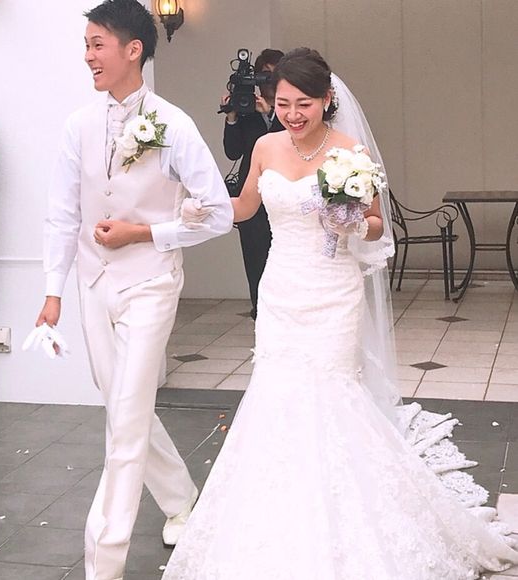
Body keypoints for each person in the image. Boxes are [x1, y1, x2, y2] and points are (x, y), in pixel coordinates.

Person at [162, 48, 518, 579]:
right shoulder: (264, 146)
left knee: (332, 395)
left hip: (333, 292)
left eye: (304, 103)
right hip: (282, 289)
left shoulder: (350, 152)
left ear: (327, 99)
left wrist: (351, 222)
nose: (292, 114)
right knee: (276, 394)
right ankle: (279, 518)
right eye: (283, 103)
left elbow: (376, 224)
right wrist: (201, 207)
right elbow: (245, 207)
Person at [35, 1, 233, 578]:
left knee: (124, 420)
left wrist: (145, 232)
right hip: (92, 281)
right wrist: (53, 289)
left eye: (97, 44)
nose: (87, 56)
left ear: (133, 49)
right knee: (123, 403)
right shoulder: (78, 124)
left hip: (150, 281)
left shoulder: (173, 124)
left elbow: (219, 213)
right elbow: (61, 212)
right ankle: (181, 500)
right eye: (86, 44)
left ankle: (105, 560)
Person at [221, 49, 284, 319]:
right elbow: (232, 152)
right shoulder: (246, 111)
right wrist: (232, 117)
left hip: (284, 197)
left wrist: (272, 116)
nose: (268, 81)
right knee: (255, 260)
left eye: (273, 75)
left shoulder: (291, 113)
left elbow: (287, 148)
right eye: (263, 75)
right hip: (253, 199)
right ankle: (259, 311)